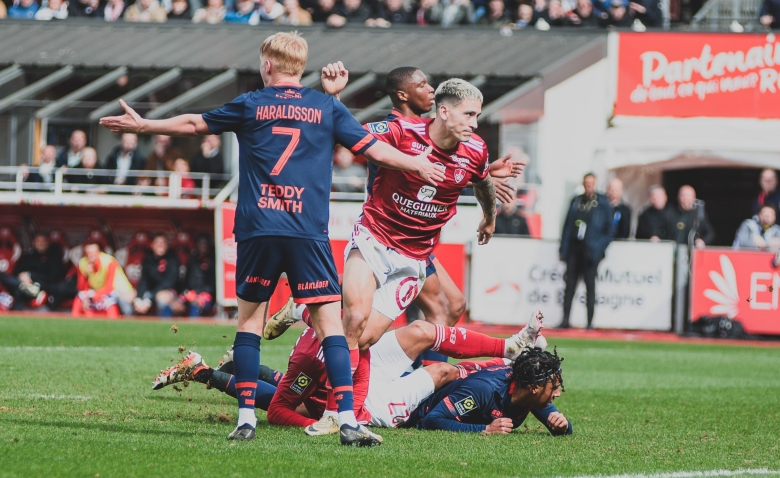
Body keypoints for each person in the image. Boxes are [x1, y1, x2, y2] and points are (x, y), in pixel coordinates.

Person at [100, 31, 443, 445]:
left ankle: (245, 418)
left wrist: (144, 123)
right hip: (306, 232)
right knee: (331, 326)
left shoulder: (252, 103)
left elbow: (194, 124)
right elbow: (375, 151)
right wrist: (418, 165)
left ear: (267, 65)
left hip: (258, 228)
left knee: (249, 321)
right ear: (301, 67)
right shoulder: (325, 106)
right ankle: (348, 420)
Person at [153, 307, 546, 431]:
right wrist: (338, 420)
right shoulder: (310, 358)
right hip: (366, 396)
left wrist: (300, 311)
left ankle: (509, 346)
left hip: (362, 367)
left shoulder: (343, 317)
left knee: (424, 330)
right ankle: (207, 371)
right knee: (298, 400)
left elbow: (354, 353)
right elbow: (277, 411)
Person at [406, 348, 570, 435]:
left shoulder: (529, 391)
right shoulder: (483, 391)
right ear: (534, 388)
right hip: (407, 407)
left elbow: (563, 427)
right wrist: (485, 429)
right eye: (554, 387)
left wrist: (562, 426)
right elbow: (431, 420)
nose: (557, 393)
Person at [559, 173, 613, 329]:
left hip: (591, 251)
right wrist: (563, 249)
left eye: (591, 183)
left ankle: (590, 322)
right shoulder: (576, 201)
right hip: (575, 249)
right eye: (586, 183)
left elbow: (609, 230)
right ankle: (565, 319)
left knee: (590, 287)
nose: (588, 186)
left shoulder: (602, 203)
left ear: (595, 184)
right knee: (570, 286)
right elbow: (567, 226)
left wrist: (599, 247)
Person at [73, 240, 136, 318]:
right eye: (88, 253)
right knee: (81, 297)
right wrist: (86, 274)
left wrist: (92, 296)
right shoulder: (83, 262)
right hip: (100, 291)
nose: (90, 255)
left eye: (93, 252)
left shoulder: (108, 261)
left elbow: (109, 287)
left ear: (99, 252)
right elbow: (81, 287)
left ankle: (115, 321)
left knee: (108, 300)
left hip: (119, 290)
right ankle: (75, 319)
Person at [0, 233, 63, 310]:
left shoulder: (54, 257)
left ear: (48, 243)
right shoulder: (28, 256)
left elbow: (54, 276)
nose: (41, 243)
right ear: (34, 243)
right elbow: (17, 272)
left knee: (19, 290)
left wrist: (30, 275)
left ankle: (27, 288)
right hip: (24, 283)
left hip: (42, 286)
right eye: (38, 241)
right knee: (5, 278)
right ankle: (25, 289)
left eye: (43, 241)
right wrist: (23, 277)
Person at [132, 234, 180, 317]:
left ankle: (166, 325)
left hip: (169, 292)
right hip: (151, 293)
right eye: (157, 243)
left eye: (163, 243)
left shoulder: (173, 259)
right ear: (152, 245)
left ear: (167, 245)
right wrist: (139, 298)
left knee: (162, 297)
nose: (160, 245)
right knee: (130, 298)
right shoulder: (148, 259)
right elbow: (144, 280)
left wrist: (149, 299)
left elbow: (169, 282)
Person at [177, 235, 216, 317]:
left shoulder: (213, 261)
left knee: (195, 304)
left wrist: (198, 295)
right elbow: (186, 280)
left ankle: (192, 328)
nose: (203, 246)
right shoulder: (192, 260)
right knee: (175, 304)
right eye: (200, 244)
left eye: (205, 244)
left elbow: (213, 285)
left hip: (207, 295)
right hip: (191, 293)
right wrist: (187, 292)